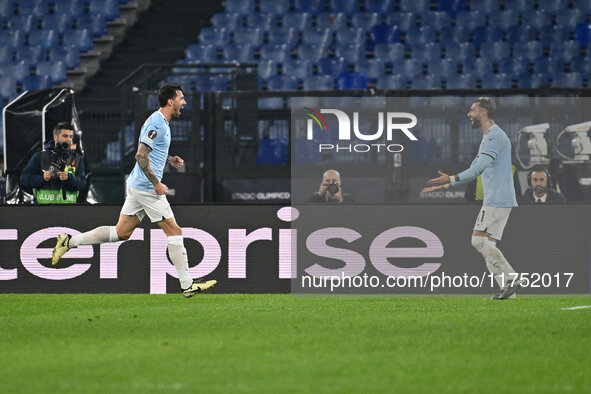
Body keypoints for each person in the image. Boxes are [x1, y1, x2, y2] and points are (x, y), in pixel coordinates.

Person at [51, 84, 216, 298]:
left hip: (139, 185)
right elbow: (140, 155)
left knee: (121, 232)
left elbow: (150, 150)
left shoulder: (161, 123)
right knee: (174, 231)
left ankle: (69, 241)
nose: (184, 102)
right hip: (147, 188)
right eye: (181, 98)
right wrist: (156, 183)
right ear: (170, 101)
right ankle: (187, 285)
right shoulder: (157, 121)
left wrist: (169, 158)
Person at [422, 97, 522, 300]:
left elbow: (478, 168)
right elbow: (474, 171)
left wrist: (450, 178)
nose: (469, 114)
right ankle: (507, 290)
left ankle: (512, 278)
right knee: (487, 245)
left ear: (483, 113)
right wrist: (448, 184)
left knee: (477, 240)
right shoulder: (490, 136)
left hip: (497, 199)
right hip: (500, 199)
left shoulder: (494, 137)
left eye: (472, 110)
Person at [20, 122, 86, 204]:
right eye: (65, 136)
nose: (69, 139)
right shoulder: (40, 157)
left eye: (71, 136)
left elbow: (82, 183)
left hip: (68, 211)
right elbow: (24, 179)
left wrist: (69, 178)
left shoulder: (76, 158)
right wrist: (42, 178)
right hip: (43, 210)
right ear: (55, 137)